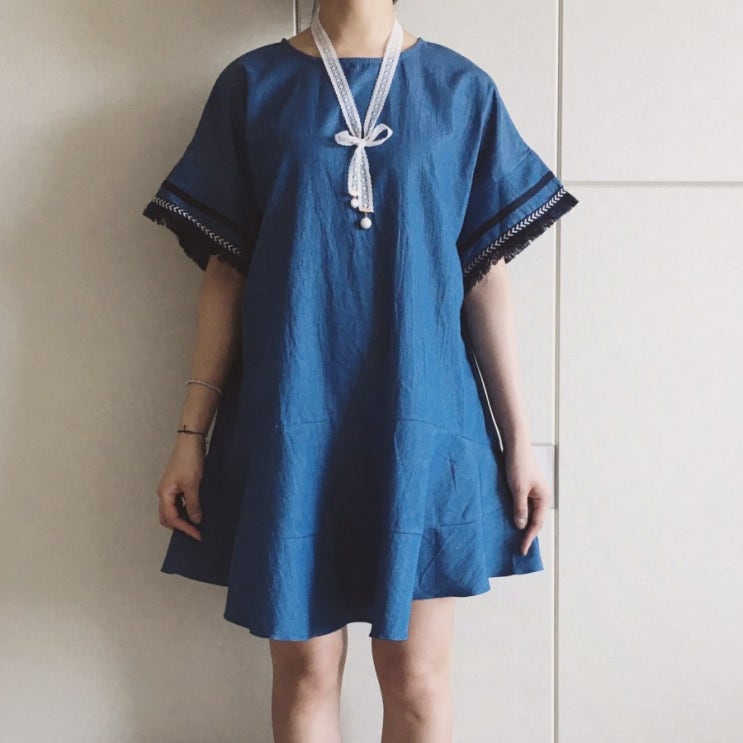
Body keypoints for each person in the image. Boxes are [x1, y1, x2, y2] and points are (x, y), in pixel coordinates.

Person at [142, 0, 578, 740]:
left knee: (416, 680)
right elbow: (225, 272)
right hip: (291, 419)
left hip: (425, 422)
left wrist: (519, 443)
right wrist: (191, 434)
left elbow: (484, 277)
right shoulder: (252, 85)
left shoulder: (460, 90)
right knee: (306, 675)